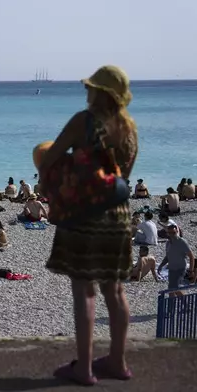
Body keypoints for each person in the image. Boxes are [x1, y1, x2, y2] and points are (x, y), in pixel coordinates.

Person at [39, 66, 138, 385]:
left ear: (100, 92)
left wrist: (50, 182)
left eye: (91, 88)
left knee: (84, 290)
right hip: (119, 213)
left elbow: (51, 156)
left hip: (83, 214)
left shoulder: (84, 121)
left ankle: (84, 367)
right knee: (116, 288)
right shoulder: (130, 128)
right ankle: (118, 362)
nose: (87, 92)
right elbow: (123, 174)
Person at [157, 223, 195, 290]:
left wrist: (191, 270)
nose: (172, 235)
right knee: (171, 289)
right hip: (172, 269)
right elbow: (167, 257)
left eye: (173, 233)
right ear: (167, 233)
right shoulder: (168, 243)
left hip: (180, 268)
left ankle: (184, 300)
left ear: (177, 232)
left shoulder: (182, 242)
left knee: (175, 288)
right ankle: (174, 300)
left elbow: (191, 256)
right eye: (170, 233)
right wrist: (161, 265)